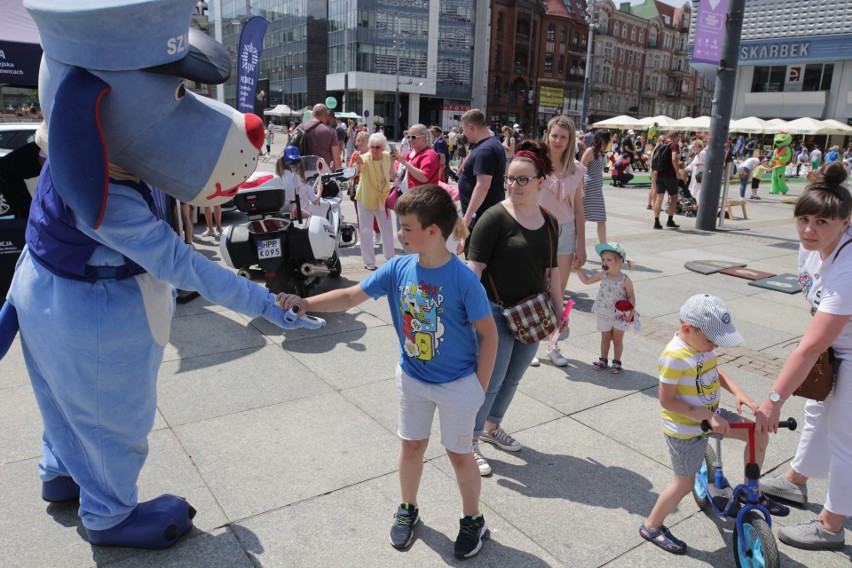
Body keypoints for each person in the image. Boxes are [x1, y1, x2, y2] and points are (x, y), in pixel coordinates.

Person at [277, 184, 498, 559]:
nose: (398, 234)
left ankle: (473, 520)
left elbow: (488, 335)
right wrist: (305, 302)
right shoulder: (398, 268)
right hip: (412, 379)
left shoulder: (462, 280)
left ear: (432, 232)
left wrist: (478, 388)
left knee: (459, 454)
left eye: (407, 227)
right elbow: (350, 297)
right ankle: (408, 507)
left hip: (458, 384)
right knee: (411, 446)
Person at [639, 294, 788, 556]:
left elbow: (715, 372)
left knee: (758, 434)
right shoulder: (674, 357)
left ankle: (749, 492)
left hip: (711, 415)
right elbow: (667, 401)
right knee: (684, 484)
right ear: (687, 329)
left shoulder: (702, 347)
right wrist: (707, 417)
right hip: (684, 429)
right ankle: (651, 526)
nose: (713, 347)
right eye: (710, 340)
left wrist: (738, 392)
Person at [756, 162, 851, 551]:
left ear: (846, 223)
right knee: (817, 411)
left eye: (822, 223)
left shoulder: (848, 268)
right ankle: (796, 480)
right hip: (837, 346)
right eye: (804, 219)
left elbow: (810, 344)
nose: (810, 230)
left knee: (845, 440)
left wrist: (773, 399)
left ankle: (831, 526)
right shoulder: (811, 245)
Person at [466, 140, 567, 476]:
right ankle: (470, 440)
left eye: (522, 179)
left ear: (542, 181)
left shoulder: (551, 222)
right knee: (491, 381)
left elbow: (551, 272)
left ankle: (493, 427)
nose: (513, 185)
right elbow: (473, 271)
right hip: (494, 311)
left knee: (513, 378)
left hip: (532, 313)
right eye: (510, 178)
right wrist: (468, 316)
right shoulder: (494, 217)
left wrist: (557, 314)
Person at [537, 115, 587, 367]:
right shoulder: (536, 164)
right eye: (554, 135)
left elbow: (579, 209)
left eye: (563, 137)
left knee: (558, 291)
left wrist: (582, 245)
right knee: (534, 287)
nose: (557, 141)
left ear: (570, 141)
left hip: (565, 232)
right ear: (547, 135)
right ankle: (529, 343)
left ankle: (553, 344)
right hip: (536, 229)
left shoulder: (576, 170)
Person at [575, 243, 636, 374]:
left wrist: (630, 314)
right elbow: (586, 280)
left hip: (619, 316)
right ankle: (603, 359)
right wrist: (578, 270)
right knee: (605, 338)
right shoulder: (602, 275)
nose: (604, 262)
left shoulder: (625, 280)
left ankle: (617, 362)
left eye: (609, 260)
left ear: (620, 262)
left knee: (618, 339)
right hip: (603, 313)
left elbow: (631, 297)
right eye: (603, 259)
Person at [352, 132, 397, 270]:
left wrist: (394, 163)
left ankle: (390, 257)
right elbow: (358, 170)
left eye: (377, 147)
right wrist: (358, 164)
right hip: (366, 195)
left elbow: (392, 175)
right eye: (372, 146)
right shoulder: (364, 158)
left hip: (382, 196)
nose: (374, 150)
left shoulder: (387, 157)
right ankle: (369, 261)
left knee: (387, 228)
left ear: (383, 147)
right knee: (365, 229)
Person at [457, 109, 506, 232]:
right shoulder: (491, 143)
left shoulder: (485, 150)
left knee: (475, 251)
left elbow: (483, 186)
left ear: (471, 127)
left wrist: (467, 219)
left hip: (480, 218)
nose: (463, 133)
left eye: (463, 129)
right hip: (484, 214)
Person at [277, 146, 324, 218]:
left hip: (283, 211)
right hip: (294, 211)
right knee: (315, 219)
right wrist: (320, 190)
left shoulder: (279, 176)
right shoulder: (296, 179)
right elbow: (315, 201)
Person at [651, 130, 684, 230]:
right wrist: (677, 172)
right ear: (676, 137)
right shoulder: (674, 145)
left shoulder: (661, 144)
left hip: (659, 174)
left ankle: (656, 222)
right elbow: (674, 158)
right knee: (674, 197)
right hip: (670, 176)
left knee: (659, 198)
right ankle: (670, 220)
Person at [581, 130, 610, 244]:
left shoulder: (601, 154)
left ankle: (604, 247)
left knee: (601, 219)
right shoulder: (590, 151)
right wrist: (581, 190)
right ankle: (574, 244)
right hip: (588, 189)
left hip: (597, 190)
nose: (606, 144)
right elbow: (580, 171)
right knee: (582, 218)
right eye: (605, 141)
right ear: (599, 140)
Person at [396, 124, 441, 189]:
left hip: (422, 196)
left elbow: (424, 177)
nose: (410, 140)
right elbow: (395, 176)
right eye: (408, 137)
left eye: (413, 137)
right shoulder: (408, 154)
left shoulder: (430, 154)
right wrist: (391, 163)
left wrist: (406, 163)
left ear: (424, 138)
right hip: (406, 194)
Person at [299, 104, 342, 170]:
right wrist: (339, 174)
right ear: (325, 115)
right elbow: (336, 158)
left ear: (313, 114)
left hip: (303, 171)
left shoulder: (300, 128)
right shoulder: (331, 131)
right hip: (323, 172)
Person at [686, 139, 706, 205]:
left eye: (694, 147)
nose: (694, 148)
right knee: (695, 190)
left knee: (698, 191)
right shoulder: (697, 155)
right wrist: (684, 169)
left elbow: (708, 163)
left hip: (700, 175)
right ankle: (695, 204)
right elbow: (691, 165)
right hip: (696, 176)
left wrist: (700, 163)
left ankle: (698, 205)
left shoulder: (703, 153)